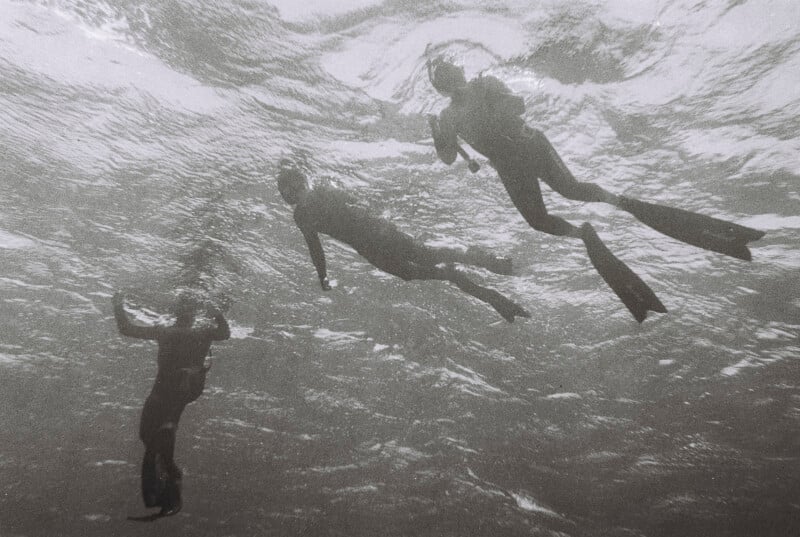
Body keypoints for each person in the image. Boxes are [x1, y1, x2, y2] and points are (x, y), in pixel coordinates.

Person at [426, 56, 765, 322]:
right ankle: (583, 234)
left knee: (571, 190)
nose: (451, 79)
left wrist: (492, 103)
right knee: (538, 221)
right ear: (441, 87)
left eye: (451, 71)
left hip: (529, 146)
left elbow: (519, 106)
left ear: (460, 70)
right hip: (508, 165)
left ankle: (622, 203)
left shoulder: (485, 83)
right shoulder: (447, 117)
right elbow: (448, 157)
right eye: (443, 78)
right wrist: (438, 135)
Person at [276, 160, 529, 322]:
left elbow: (361, 201)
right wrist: (322, 275)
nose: (294, 197)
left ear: (304, 182)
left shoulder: (324, 190)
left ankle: (489, 261)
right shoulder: (302, 216)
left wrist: (372, 209)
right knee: (412, 273)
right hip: (369, 249)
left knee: (428, 255)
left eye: (294, 189)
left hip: (380, 233)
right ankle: (490, 296)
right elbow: (315, 248)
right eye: (289, 195)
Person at [113, 291, 230, 517]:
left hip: (169, 390)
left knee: (155, 434)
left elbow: (126, 328)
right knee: (154, 434)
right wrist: (216, 313)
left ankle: (171, 486)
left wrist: (118, 305)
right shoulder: (201, 332)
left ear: (176, 312)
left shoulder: (167, 332)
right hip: (181, 390)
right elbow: (224, 333)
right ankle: (170, 486)